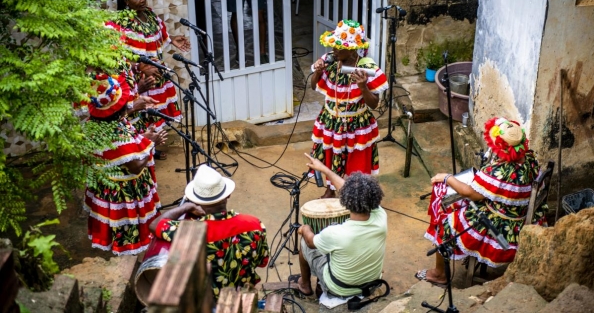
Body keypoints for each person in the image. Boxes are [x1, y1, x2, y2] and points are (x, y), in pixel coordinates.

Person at [416, 117, 546, 287]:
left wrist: (446, 177)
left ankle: (440, 274)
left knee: (444, 221)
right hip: (520, 216)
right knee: (456, 206)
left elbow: (470, 193)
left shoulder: (500, 172)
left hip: (501, 227)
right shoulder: (530, 159)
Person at [149, 165, 269, 299]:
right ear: (228, 194)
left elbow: (155, 225)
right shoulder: (255, 224)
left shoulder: (190, 232)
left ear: (195, 200)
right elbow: (262, 261)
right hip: (242, 298)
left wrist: (185, 207)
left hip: (206, 301)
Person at [107, 0, 191, 159]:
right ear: (125, 1)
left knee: (155, 114)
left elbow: (158, 37)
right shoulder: (121, 24)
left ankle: (151, 147)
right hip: (140, 81)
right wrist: (139, 68)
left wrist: (171, 40)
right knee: (141, 116)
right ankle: (142, 152)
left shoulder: (150, 15)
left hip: (157, 78)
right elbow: (118, 55)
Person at [84, 74, 164, 255]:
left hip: (106, 185)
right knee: (128, 232)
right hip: (124, 191)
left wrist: (143, 139)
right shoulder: (119, 136)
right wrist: (151, 144)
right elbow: (135, 166)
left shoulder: (95, 124)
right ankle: (128, 261)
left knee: (112, 228)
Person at [310, 19, 388, 198]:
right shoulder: (329, 61)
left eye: (339, 47)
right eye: (334, 45)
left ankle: (355, 195)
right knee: (331, 154)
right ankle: (330, 188)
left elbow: (374, 104)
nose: (334, 50)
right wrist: (318, 72)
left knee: (356, 160)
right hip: (331, 119)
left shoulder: (367, 68)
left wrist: (363, 87)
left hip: (356, 123)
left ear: (352, 49)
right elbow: (313, 86)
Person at [295, 154, 387, 298]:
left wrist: (304, 229)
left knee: (305, 243)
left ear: (345, 199)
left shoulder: (336, 233)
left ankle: (305, 284)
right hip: (371, 283)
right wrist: (325, 170)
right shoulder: (381, 217)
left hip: (340, 288)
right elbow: (350, 190)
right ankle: (319, 286)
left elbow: (311, 242)